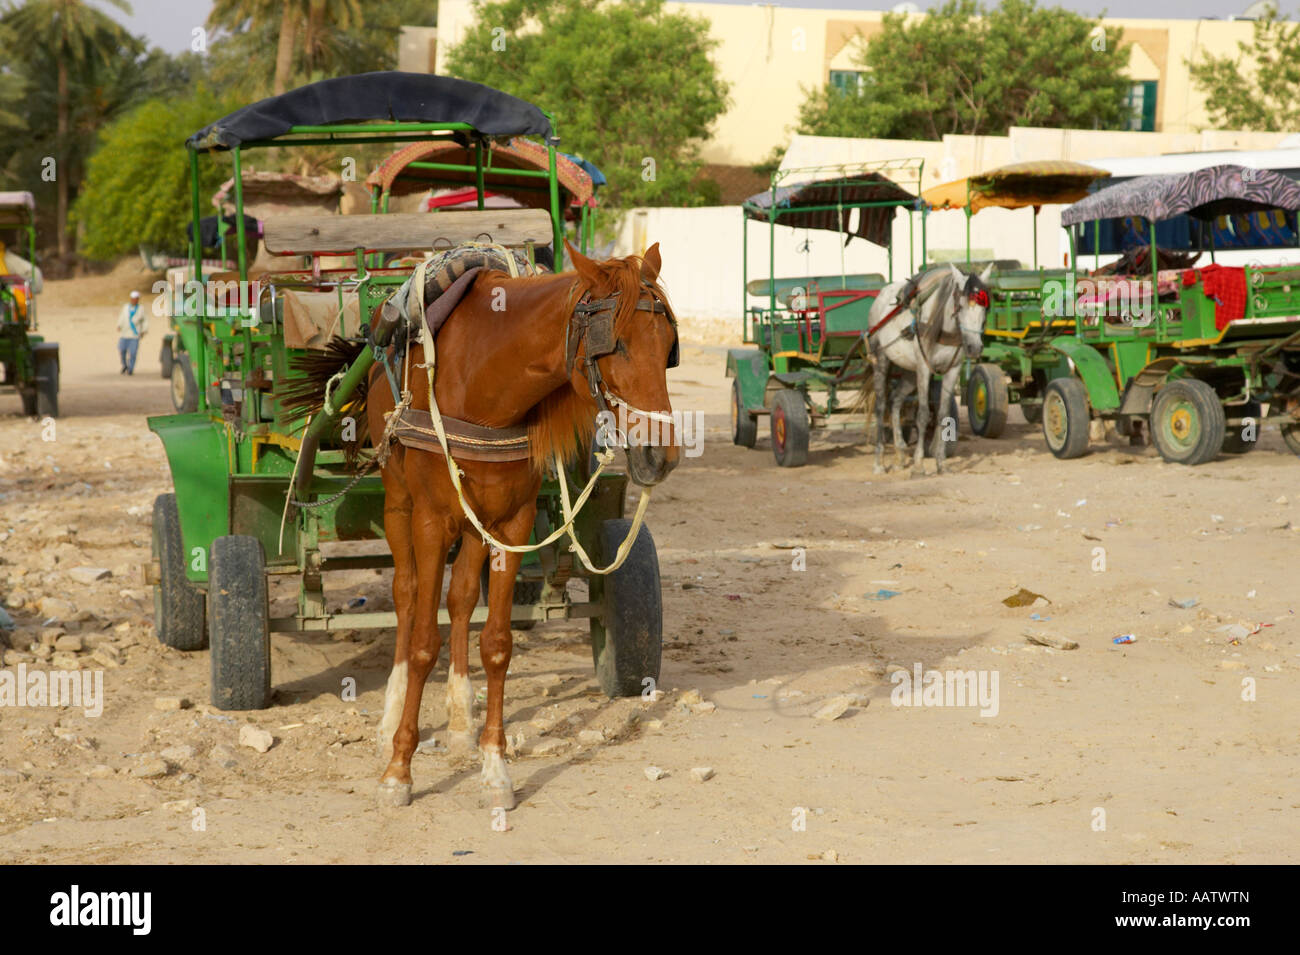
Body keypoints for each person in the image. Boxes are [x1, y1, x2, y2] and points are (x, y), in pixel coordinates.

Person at [116, 290, 147, 375]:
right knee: (122, 350)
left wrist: (144, 330)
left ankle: (131, 369)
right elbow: (121, 316)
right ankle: (124, 365)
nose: (134, 300)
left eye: (136, 299)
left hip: (134, 335)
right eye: (133, 299)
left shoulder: (141, 309)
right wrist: (119, 325)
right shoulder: (126, 307)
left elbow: (144, 321)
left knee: (133, 353)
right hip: (124, 333)